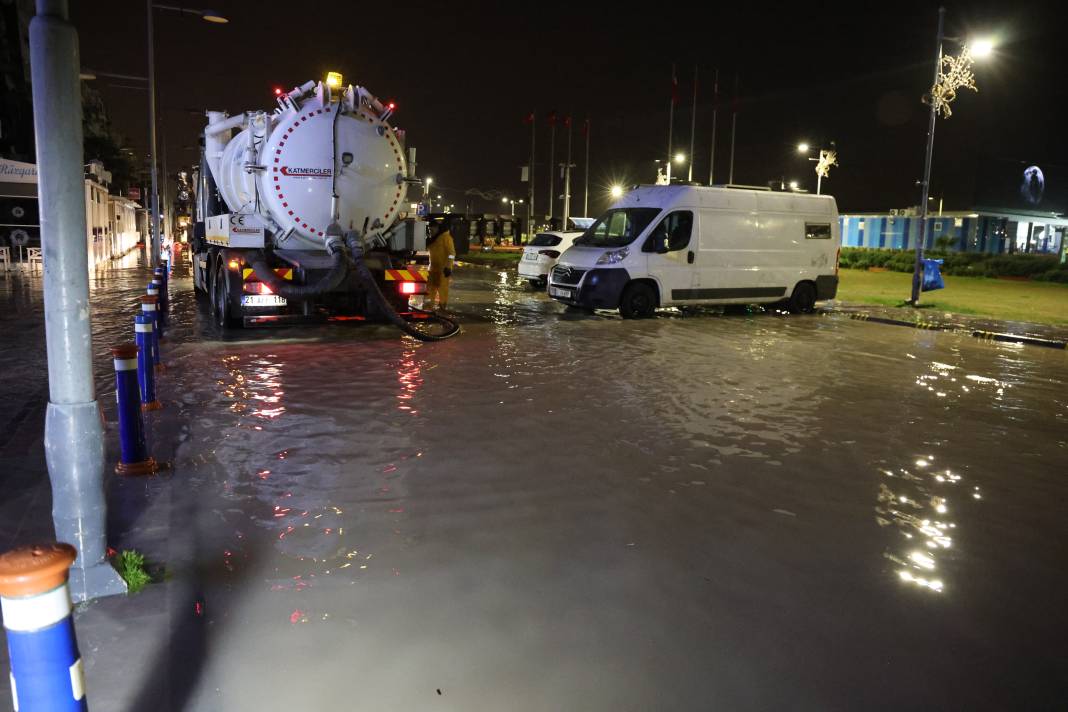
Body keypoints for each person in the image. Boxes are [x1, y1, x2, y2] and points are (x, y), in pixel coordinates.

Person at [426, 221, 456, 311]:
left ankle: (442, 307)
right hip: (433, 268)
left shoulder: (446, 238)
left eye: (432, 229)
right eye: (429, 230)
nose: (431, 232)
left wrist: (448, 266)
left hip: (443, 269)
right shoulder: (433, 239)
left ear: (437, 228)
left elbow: (451, 253)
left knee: (442, 289)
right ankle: (429, 307)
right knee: (430, 288)